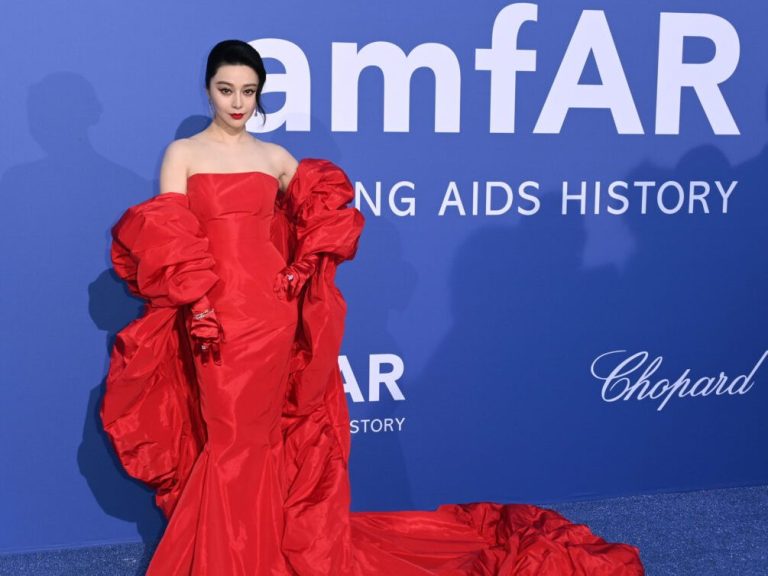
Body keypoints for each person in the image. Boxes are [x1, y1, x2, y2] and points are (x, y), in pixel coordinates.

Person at [101, 39, 645, 575]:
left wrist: (299, 265)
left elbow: (328, 206)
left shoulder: (274, 157)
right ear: (208, 90)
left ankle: (252, 554)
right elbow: (169, 236)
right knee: (229, 440)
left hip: (272, 316)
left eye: (248, 91)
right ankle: (234, 558)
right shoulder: (184, 154)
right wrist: (197, 304)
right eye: (226, 90)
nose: (237, 102)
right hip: (214, 317)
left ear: (260, 93)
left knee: (263, 439)